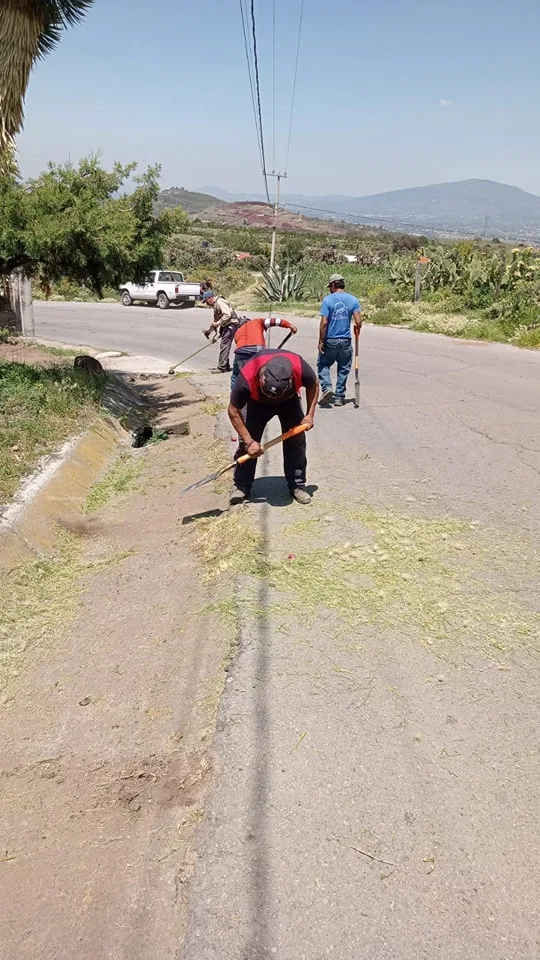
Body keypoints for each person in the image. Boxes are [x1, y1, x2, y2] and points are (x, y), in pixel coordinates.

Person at [228, 349, 319, 505]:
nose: (271, 398)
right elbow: (233, 411)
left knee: (296, 442)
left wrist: (309, 415)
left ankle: (297, 485)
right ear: (262, 378)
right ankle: (242, 486)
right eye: (268, 392)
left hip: (288, 402)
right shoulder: (247, 377)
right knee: (247, 444)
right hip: (256, 403)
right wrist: (250, 442)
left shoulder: (300, 368)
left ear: (290, 380)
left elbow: (314, 385)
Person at [318, 273, 362, 406]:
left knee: (323, 364)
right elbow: (358, 321)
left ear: (333, 285)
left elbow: (324, 322)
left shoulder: (327, 300)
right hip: (345, 340)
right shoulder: (353, 300)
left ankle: (327, 388)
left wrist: (321, 341)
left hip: (330, 340)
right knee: (343, 368)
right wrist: (357, 327)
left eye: (329, 286)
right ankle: (339, 397)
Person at [231, 316, 298, 387]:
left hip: (241, 351)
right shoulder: (257, 321)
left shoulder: (238, 331)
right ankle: (262, 389)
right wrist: (290, 325)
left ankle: (234, 394)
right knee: (260, 373)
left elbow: (239, 344)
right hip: (257, 349)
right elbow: (276, 321)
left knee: (237, 374)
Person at [201, 290, 240, 372]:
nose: (206, 304)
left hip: (231, 325)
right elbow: (216, 321)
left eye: (206, 301)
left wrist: (218, 323)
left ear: (209, 299)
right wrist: (209, 331)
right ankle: (226, 366)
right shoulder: (216, 305)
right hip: (226, 325)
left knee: (224, 345)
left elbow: (227, 314)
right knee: (224, 345)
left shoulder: (220, 302)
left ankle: (222, 367)